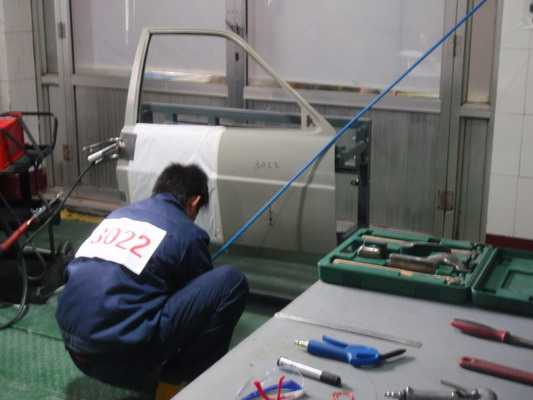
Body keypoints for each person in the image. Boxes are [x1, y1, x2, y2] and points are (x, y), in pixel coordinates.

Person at [56, 163, 249, 393]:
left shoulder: (118, 216)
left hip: (76, 352)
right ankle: (186, 384)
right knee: (231, 281)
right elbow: (201, 307)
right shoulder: (187, 233)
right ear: (194, 202)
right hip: (123, 363)